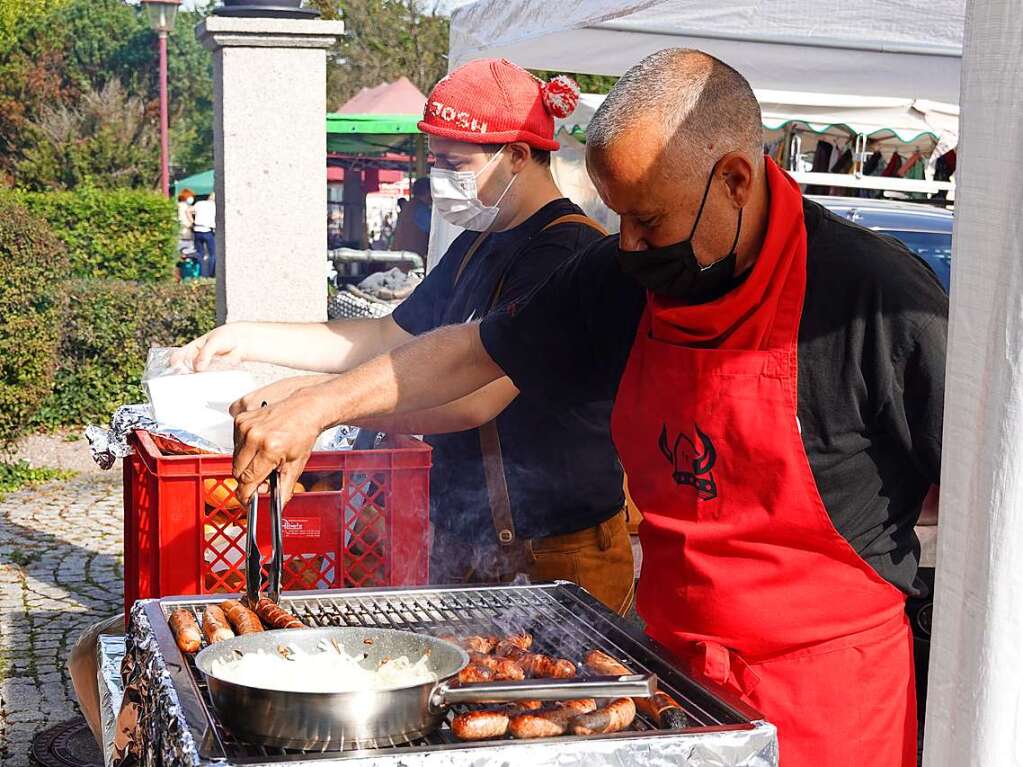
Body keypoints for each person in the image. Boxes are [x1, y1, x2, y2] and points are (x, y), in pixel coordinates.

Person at [228, 50, 946, 766]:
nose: (627, 244)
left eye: (648, 220)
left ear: (733, 179)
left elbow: (977, 501)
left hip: (826, 697)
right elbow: (470, 352)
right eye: (618, 215)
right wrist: (319, 404)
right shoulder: (622, 275)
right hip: (669, 675)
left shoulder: (876, 297)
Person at [173, 59, 635, 613]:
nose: (435, 179)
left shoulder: (565, 251)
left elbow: (472, 400)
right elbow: (389, 336)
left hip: (559, 549)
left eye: (451, 163)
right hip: (474, 538)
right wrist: (248, 337)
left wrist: (316, 405)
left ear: (514, 154)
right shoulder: (478, 240)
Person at [391, 177, 432, 257]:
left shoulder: (410, 206)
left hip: (401, 259)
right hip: (409, 262)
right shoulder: (420, 210)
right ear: (428, 192)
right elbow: (434, 229)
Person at [192, 192, 217, 278]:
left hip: (197, 230)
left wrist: (192, 222)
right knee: (213, 254)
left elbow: (188, 211)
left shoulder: (199, 203)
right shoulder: (215, 206)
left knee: (200, 253)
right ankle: (211, 273)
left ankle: (202, 274)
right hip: (208, 230)